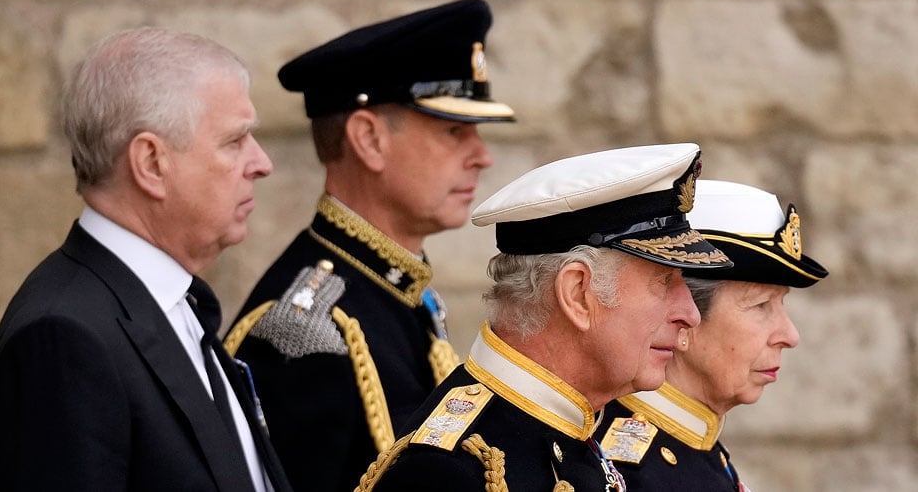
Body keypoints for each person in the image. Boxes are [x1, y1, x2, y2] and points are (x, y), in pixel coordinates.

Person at [0, 27, 292, 492]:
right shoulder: (63, 338)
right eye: (234, 141)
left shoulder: (171, 301)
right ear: (151, 164)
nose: (261, 163)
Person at [221, 0, 515, 491]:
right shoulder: (306, 333)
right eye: (453, 131)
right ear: (369, 140)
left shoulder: (398, 293)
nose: (482, 156)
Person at [354, 143, 734, 491]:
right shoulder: (453, 474)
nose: (690, 315)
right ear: (577, 294)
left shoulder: (573, 437)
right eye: (665, 282)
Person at [596, 179, 829, 491]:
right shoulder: (632, 473)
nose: (789, 335)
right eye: (761, 305)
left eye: (780, 302)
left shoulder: (695, 446)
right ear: (683, 317)